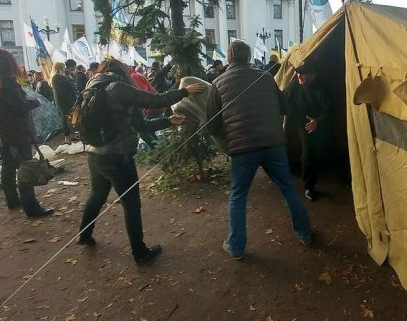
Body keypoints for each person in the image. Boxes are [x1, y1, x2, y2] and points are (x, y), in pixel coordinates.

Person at [77, 58, 205, 266]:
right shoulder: (117, 87)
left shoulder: (92, 85)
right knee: (131, 205)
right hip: (118, 156)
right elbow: (155, 100)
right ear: (122, 72)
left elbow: (139, 124)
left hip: (94, 153)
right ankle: (140, 253)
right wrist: (185, 91)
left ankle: (84, 235)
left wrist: (167, 121)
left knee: (97, 195)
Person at [206, 40, 312, 260]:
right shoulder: (265, 77)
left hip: (242, 148)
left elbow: (212, 125)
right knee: (288, 189)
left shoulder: (217, 83)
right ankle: (304, 233)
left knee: (238, 196)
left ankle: (236, 246)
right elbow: (285, 107)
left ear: (229, 57)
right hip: (273, 144)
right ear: (248, 57)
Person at [0, 48, 54, 217]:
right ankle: (31, 206)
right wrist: (34, 102)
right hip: (16, 131)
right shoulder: (6, 81)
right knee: (26, 167)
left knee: (7, 166)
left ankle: (12, 200)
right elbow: (18, 107)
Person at [283, 61, 333, 202]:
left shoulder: (323, 87)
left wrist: (318, 121)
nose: (299, 76)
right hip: (303, 122)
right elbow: (283, 101)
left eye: (303, 73)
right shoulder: (294, 85)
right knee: (308, 151)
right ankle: (309, 186)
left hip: (321, 120)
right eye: (298, 73)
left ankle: (344, 178)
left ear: (312, 75)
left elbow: (329, 109)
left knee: (330, 146)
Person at [51, 62, 77, 144]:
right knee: (65, 119)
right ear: (59, 68)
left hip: (65, 101)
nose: (65, 68)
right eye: (63, 67)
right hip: (64, 102)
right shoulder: (57, 78)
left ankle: (71, 135)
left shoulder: (58, 77)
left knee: (68, 118)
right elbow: (65, 89)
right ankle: (67, 136)